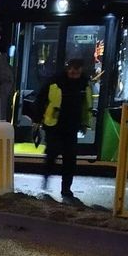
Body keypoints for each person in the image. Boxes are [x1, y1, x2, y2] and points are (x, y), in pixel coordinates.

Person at [41, 58, 92, 198]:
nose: (73, 73)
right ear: (67, 69)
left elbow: (86, 106)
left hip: (72, 127)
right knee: (52, 154)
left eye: (76, 71)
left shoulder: (84, 85)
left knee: (70, 160)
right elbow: (41, 99)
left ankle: (66, 189)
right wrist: (38, 119)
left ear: (81, 70)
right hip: (54, 126)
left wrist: (84, 124)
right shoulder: (55, 82)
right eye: (71, 70)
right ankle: (46, 176)